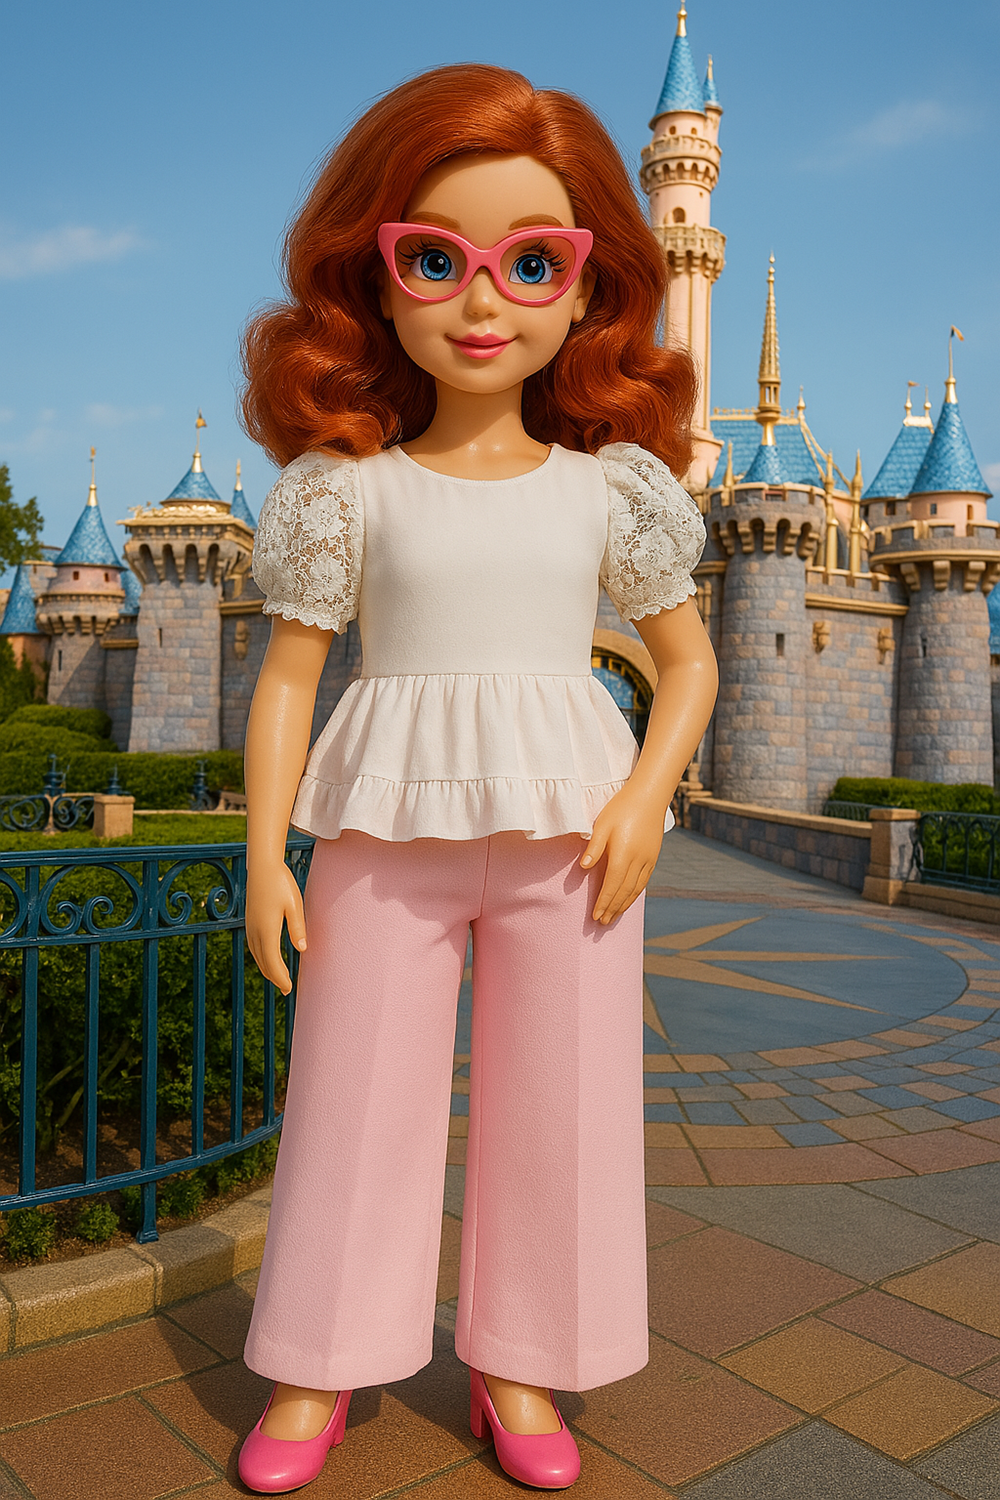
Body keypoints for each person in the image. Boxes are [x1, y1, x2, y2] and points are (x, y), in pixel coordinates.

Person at [236, 62, 718, 1495]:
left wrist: (644, 801)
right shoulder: (346, 489)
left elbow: (687, 665)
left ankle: (524, 1360)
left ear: (591, 287)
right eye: (436, 260)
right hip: (384, 828)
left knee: (566, 1108)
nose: (483, 300)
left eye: (533, 262)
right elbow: (288, 680)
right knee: (352, 1095)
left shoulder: (610, 488)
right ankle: (317, 1361)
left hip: (575, 836)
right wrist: (266, 856)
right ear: (373, 280)